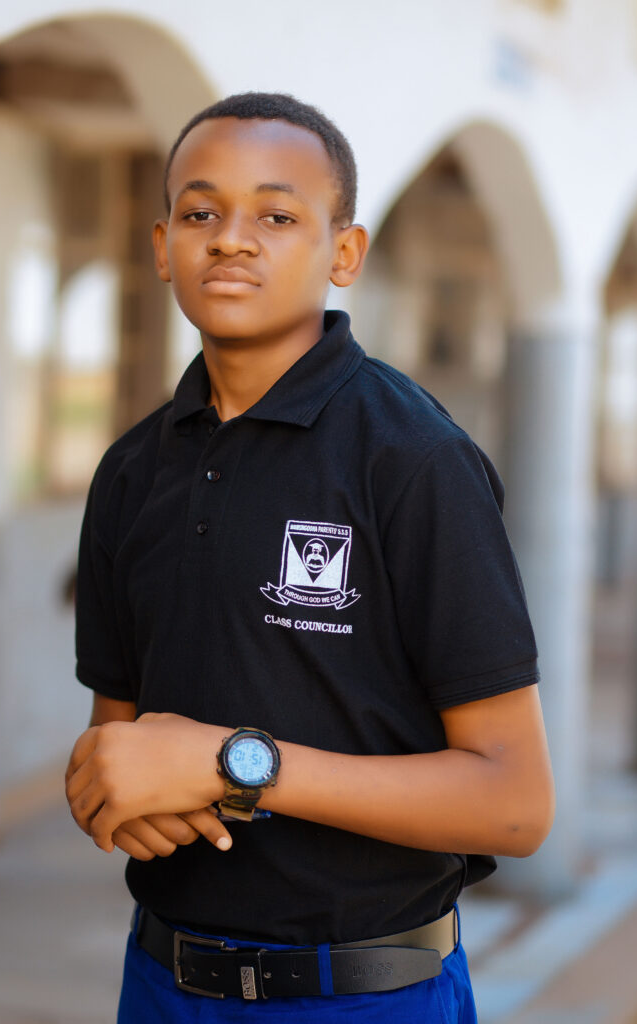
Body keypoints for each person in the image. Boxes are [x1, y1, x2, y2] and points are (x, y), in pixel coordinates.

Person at [65, 92, 555, 1023]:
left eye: (277, 216)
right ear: (162, 246)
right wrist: (108, 790)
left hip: (365, 992)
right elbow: (115, 745)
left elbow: (514, 803)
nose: (231, 239)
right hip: (164, 985)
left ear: (344, 253)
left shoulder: (412, 460)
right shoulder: (130, 472)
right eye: (201, 213)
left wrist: (233, 765)